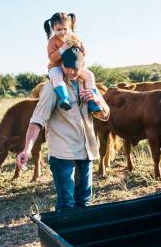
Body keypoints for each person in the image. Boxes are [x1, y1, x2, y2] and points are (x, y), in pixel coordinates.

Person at [16, 46, 110, 211]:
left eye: (76, 68)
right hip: (63, 154)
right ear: (61, 65)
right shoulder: (52, 87)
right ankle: (64, 235)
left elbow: (106, 115)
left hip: (86, 151)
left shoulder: (88, 84)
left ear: (83, 65)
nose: (71, 71)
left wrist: (96, 99)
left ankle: (81, 235)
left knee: (84, 202)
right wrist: (27, 149)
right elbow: (37, 120)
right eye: (67, 67)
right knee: (67, 204)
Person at [44, 12, 101, 113]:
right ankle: (64, 98)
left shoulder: (74, 37)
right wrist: (62, 49)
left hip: (74, 67)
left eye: (65, 29)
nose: (62, 32)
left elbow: (85, 53)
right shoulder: (52, 41)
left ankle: (92, 100)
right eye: (58, 30)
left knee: (89, 75)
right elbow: (52, 58)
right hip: (57, 66)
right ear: (53, 29)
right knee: (56, 76)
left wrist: (80, 46)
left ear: (69, 27)